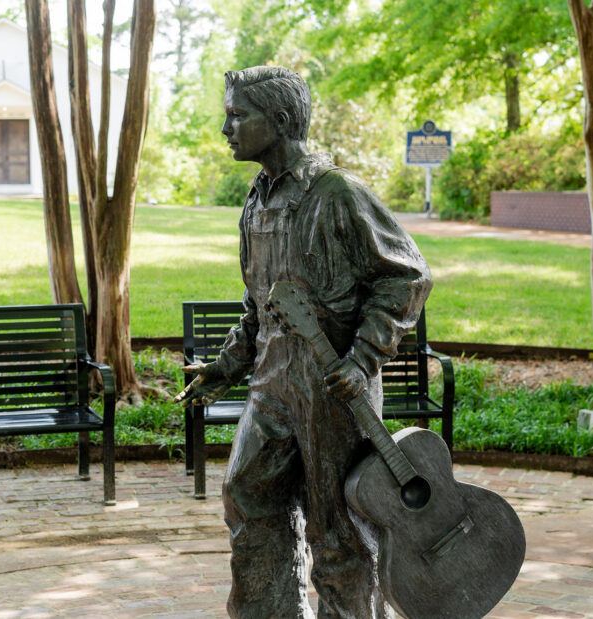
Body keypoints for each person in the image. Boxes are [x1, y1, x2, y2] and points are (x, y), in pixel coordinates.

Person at [175, 65, 432, 619]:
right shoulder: (256, 201)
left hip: (333, 393)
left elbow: (406, 278)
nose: (226, 128)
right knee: (248, 496)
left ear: (280, 119)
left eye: (238, 115)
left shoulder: (338, 193)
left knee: (340, 528)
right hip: (272, 386)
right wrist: (227, 366)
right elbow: (259, 303)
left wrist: (363, 358)